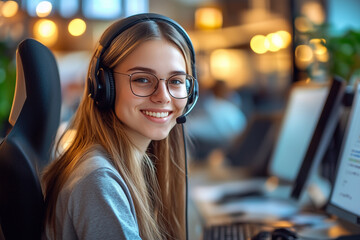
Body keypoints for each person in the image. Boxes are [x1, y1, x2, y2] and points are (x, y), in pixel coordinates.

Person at [42, 13, 198, 240]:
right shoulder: (99, 180)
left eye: (175, 81)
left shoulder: (132, 165)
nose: (163, 97)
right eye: (142, 79)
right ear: (104, 86)